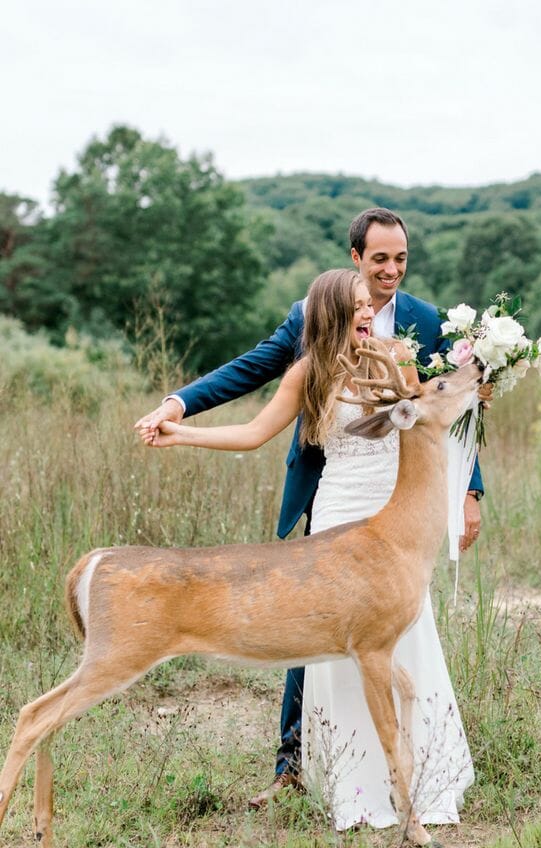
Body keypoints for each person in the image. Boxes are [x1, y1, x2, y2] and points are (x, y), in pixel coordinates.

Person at [135, 207, 484, 806]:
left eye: (400, 259)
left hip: (398, 504)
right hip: (337, 500)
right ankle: (307, 769)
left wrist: (470, 487)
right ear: (355, 261)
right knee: (314, 635)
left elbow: (441, 411)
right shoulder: (307, 345)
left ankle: (426, 777)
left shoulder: (413, 337)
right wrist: (180, 414)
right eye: (379, 261)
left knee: (407, 635)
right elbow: (249, 399)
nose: (389, 275)